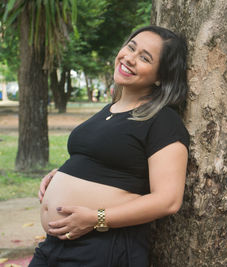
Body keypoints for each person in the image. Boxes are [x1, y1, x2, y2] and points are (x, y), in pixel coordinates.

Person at [30, 25, 190, 267]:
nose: (130, 58)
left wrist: (97, 218)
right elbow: (102, 161)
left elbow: (168, 199)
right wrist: (61, 174)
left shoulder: (163, 120)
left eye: (144, 58)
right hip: (56, 245)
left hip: (103, 248)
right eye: (131, 47)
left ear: (160, 76)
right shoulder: (108, 111)